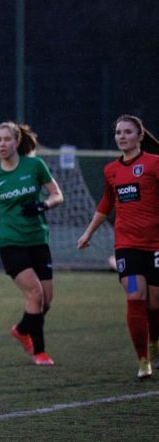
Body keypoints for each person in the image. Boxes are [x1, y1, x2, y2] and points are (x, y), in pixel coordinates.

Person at [78, 115, 159, 380]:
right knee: (135, 295)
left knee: (155, 304)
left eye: (127, 132)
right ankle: (143, 360)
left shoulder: (154, 164)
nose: (121, 136)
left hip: (156, 246)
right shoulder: (111, 170)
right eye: (118, 132)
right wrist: (88, 232)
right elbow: (106, 203)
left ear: (140, 136)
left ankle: (154, 342)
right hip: (127, 247)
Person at [0, 121, 64, 366]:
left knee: (45, 301)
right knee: (35, 293)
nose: (2, 144)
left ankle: (21, 329)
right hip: (10, 242)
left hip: (37, 239)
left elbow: (57, 194)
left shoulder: (35, 166)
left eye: (6, 139)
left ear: (16, 142)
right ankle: (40, 352)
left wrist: (42, 205)